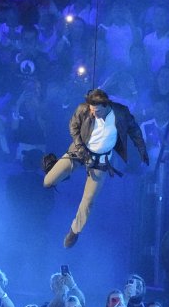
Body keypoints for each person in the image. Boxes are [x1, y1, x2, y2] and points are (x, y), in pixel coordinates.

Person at [42, 88, 149, 248]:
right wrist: (80, 148)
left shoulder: (120, 114)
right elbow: (73, 126)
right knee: (48, 182)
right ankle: (55, 166)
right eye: (91, 109)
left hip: (100, 161)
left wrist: (141, 149)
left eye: (96, 110)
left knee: (89, 200)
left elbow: (134, 131)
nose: (92, 113)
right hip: (79, 151)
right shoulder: (83, 109)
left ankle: (74, 231)